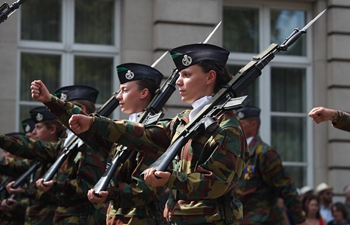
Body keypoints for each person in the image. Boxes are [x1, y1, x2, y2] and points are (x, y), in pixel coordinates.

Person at [67, 43, 249, 225]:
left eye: (186, 75)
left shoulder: (226, 126)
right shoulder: (183, 120)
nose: (178, 81)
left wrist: (172, 179)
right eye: (179, 75)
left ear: (210, 77)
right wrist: (94, 122)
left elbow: (218, 182)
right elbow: (142, 133)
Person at [31, 63, 167, 225]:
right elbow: (90, 128)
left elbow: (147, 189)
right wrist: (50, 101)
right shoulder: (120, 130)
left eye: (125, 90)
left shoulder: (158, 131)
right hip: (114, 218)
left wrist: (111, 193)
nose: (118, 97)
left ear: (143, 93)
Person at [0, 85, 109, 224]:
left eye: (62, 110)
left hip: (82, 218)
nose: (58, 116)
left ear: (81, 110)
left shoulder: (91, 143)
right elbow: (32, 148)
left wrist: (55, 185)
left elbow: (88, 187)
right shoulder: (68, 143)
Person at [233, 106, 306, 225]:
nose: (237, 126)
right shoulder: (236, 151)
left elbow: (286, 187)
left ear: (253, 125)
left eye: (241, 123)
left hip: (262, 219)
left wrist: (299, 219)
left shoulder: (264, 153)